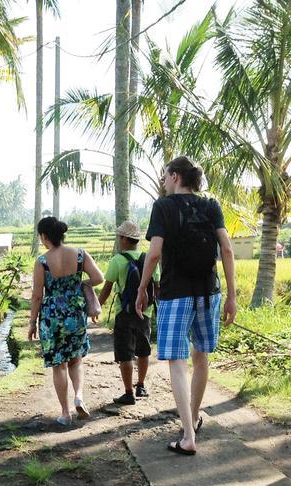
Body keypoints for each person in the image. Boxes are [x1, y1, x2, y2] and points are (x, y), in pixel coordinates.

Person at [136, 156, 237, 455]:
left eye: (166, 176)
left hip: (175, 293)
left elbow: (154, 255)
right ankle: (192, 417)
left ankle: (189, 436)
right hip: (209, 292)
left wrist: (143, 288)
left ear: (177, 177)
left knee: (177, 362)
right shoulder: (211, 205)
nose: (164, 181)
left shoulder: (163, 206)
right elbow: (227, 249)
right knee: (201, 355)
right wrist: (231, 295)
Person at [28, 216, 104, 426]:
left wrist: (32, 322)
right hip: (75, 314)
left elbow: (36, 296)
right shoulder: (80, 254)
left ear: (44, 237)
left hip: (52, 318)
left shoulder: (42, 262)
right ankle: (79, 396)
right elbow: (98, 278)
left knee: (58, 365)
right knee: (76, 358)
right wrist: (80, 285)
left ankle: (65, 413)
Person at [98, 220, 159, 405]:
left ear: (124, 239)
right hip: (145, 313)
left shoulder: (117, 260)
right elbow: (157, 287)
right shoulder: (149, 258)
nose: (118, 240)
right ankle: (141, 385)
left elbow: (107, 289)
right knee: (143, 350)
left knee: (125, 353)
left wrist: (97, 308)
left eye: (119, 237)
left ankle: (128, 393)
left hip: (123, 313)